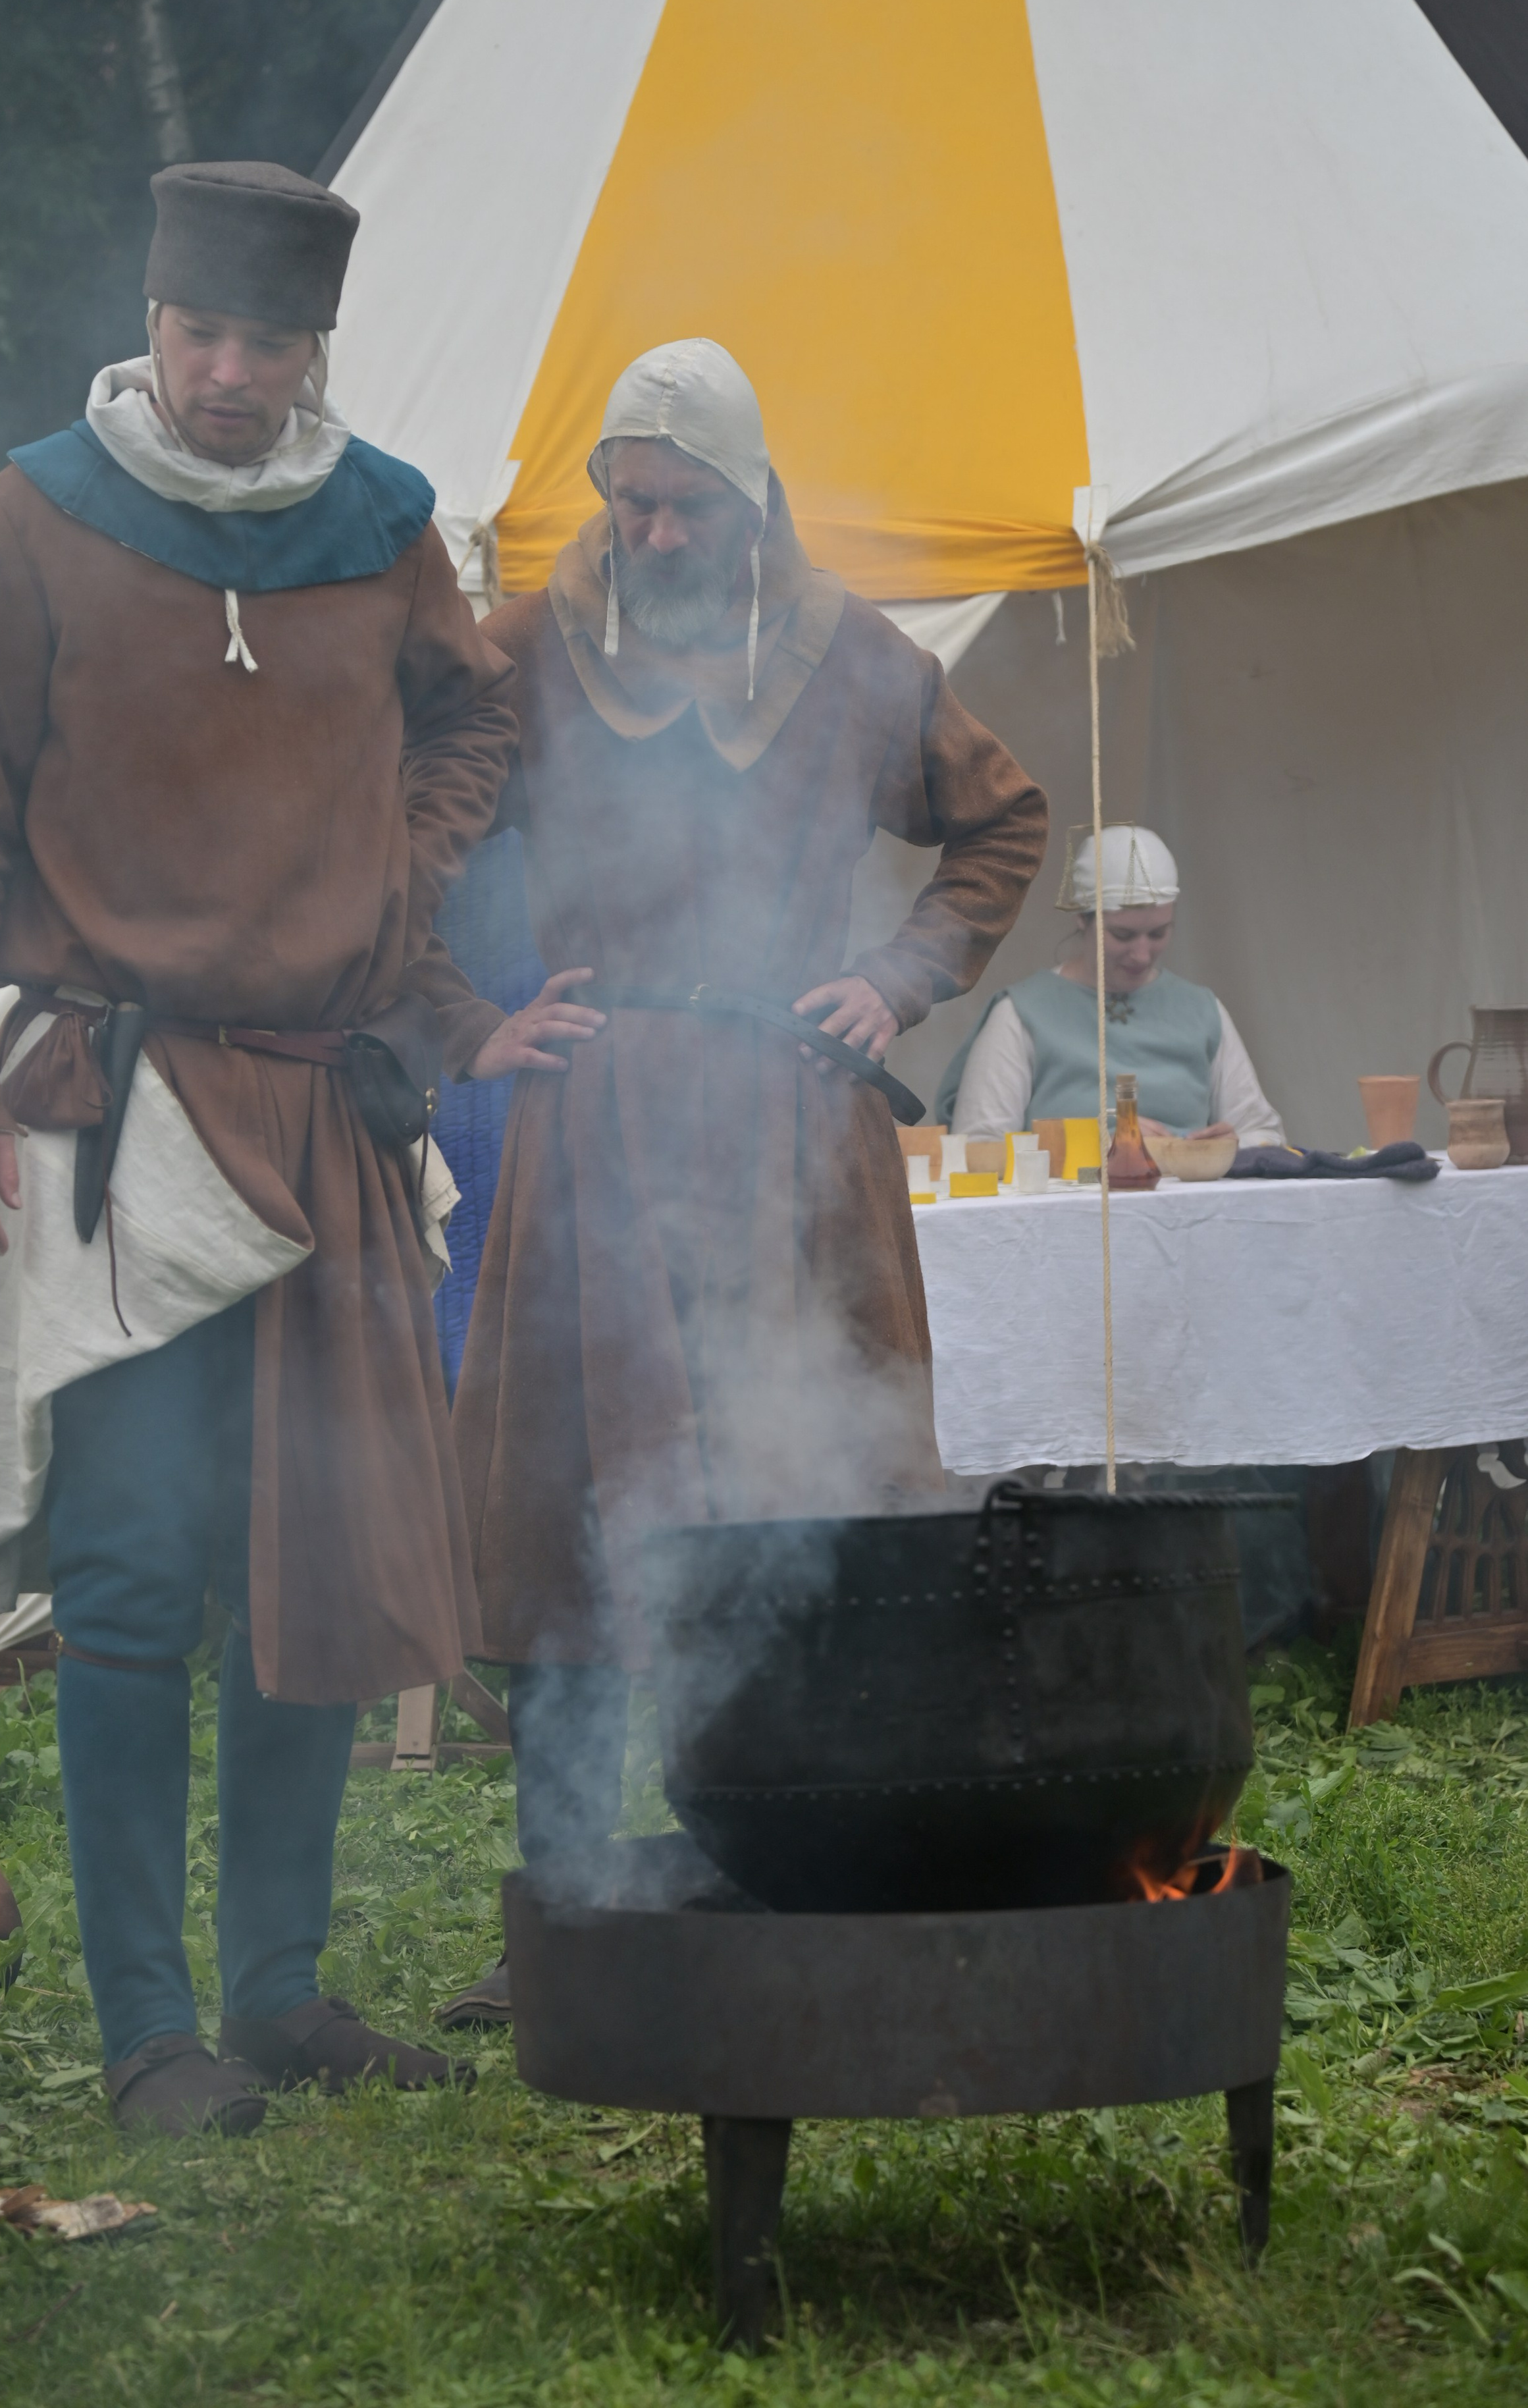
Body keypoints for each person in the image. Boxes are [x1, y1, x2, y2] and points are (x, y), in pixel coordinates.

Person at [0, 161, 519, 2133]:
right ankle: (150, 2032)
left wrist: (392, 871)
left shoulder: (383, 525)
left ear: (312, 343)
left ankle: (275, 1991)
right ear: (153, 321)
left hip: (322, 1107)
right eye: (199, 331)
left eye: (267, 339)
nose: (230, 371)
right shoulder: (41, 512)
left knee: (304, 1559)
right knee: (139, 1569)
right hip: (124, 1110)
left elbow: (475, 731)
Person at [438, 338, 1047, 2023]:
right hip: (598, 1115)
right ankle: (558, 1902)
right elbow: (398, 818)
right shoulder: (527, 652)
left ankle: (789, 1860)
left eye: (678, 505)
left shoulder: (853, 661)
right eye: (623, 502)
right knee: (572, 1504)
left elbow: (1001, 822)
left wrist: (901, 977)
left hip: (791, 1124)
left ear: (748, 497)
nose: (645, 533)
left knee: (803, 1490)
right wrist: (464, 1013)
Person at [940, 824, 1284, 1144]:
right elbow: (980, 1145)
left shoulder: (1202, 1010)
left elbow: (1262, 1131)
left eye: (1158, 933)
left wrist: (1233, 1145)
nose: (1141, 954)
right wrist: (1096, 1146)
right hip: (1076, 1209)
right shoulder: (1021, 1013)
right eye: (1122, 935)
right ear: (1082, 918)